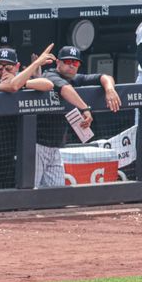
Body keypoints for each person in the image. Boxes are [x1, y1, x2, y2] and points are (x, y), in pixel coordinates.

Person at [0, 45, 56, 190]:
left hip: (9, 154)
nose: (3, 71)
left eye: (8, 67)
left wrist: (24, 82)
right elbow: (12, 87)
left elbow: (48, 84)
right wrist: (36, 64)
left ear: (17, 66)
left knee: (8, 197)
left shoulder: (21, 80)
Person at [38, 46, 120, 187]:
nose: (71, 65)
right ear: (58, 62)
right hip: (36, 145)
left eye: (75, 63)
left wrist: (110, 89)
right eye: (67, 61)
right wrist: (85, 108)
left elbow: (104, 77)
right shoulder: (49, 75)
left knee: (57, 193)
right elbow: (65, 89)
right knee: (29, 189)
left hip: (55, 147)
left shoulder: (75, 79)